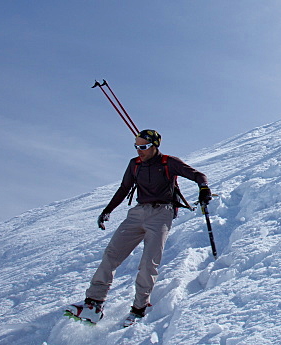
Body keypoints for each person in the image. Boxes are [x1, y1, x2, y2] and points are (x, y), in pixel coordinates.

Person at [67, 129, 211, 326]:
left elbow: (197, 175)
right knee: (111, 254)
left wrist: (204, 189)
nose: (139, 150)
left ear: (154, 146)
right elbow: (124, 188)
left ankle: (139, 308)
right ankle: (94, 304)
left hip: (161, 214)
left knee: (148, 262)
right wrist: (107, 210)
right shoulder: (135, 165)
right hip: (137, 213)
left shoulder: (169, 162)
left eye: (143, 146)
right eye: (136, 146)